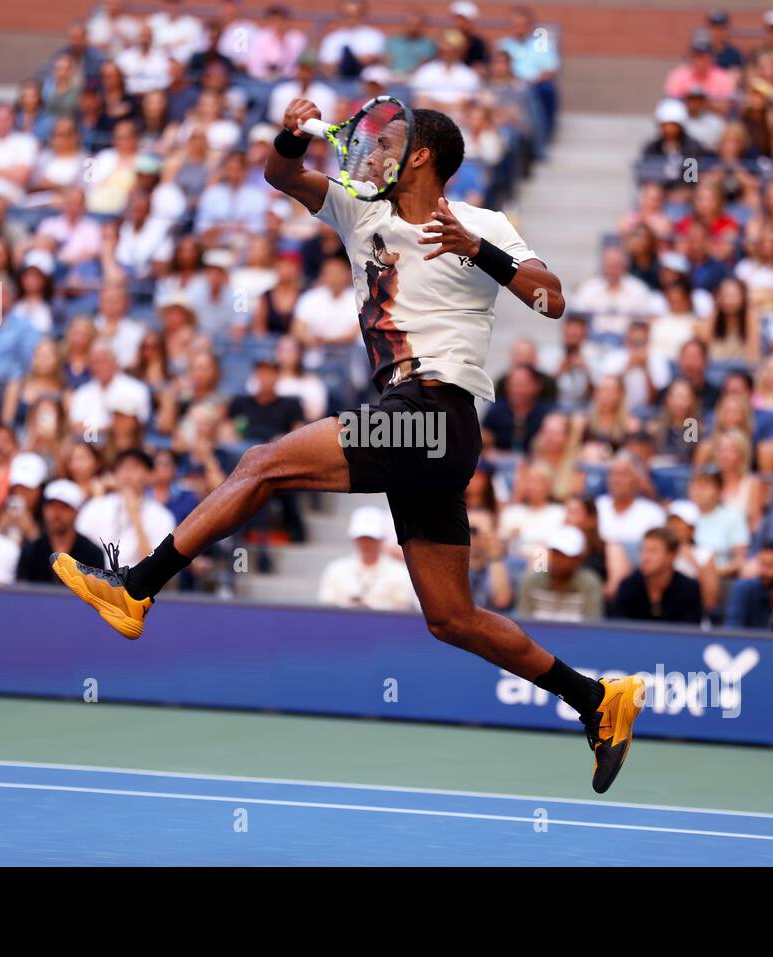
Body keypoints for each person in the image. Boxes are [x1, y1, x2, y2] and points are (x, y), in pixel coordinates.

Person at [50, 102, 647, 794]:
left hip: (433, 413)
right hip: (418, 425)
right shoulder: (359, 209)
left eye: (388, 139)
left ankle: (137, 588)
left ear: (420, 154)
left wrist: (479, 250)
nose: (369, 148)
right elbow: (280, 173)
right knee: (451, 617)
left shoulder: (481, 223)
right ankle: (596, 701)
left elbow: (553, 302)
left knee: (261, 463)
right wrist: (291, 135)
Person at [315, 506, 415, 611]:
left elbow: (404, 608)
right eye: (362, 538)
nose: (366, 544)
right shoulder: (335, 569)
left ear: (381, 539)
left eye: (371, 539)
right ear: (354, 539)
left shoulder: (400, 573)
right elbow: (326, 606)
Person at [16, 479, 105, 585]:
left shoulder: (92, 554)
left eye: (64, 507)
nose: (56, 514)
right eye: (51, 506)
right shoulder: (30, 551)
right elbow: (21, 593)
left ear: (76, 512)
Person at [611, 526, 703, 624]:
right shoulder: (628, 586)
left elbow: (690, 632)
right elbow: (620, 630)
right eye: (643, 550)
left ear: (671, 556)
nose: (645, 557)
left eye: (653, 551)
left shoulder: (689, 589)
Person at [516, 525, 603, 622]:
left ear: (578, 559)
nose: (557, 560)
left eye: (564, 555)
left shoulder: (590, 584)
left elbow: (592, 626)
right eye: (555, 553)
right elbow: (522, 624)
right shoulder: (531, 580)